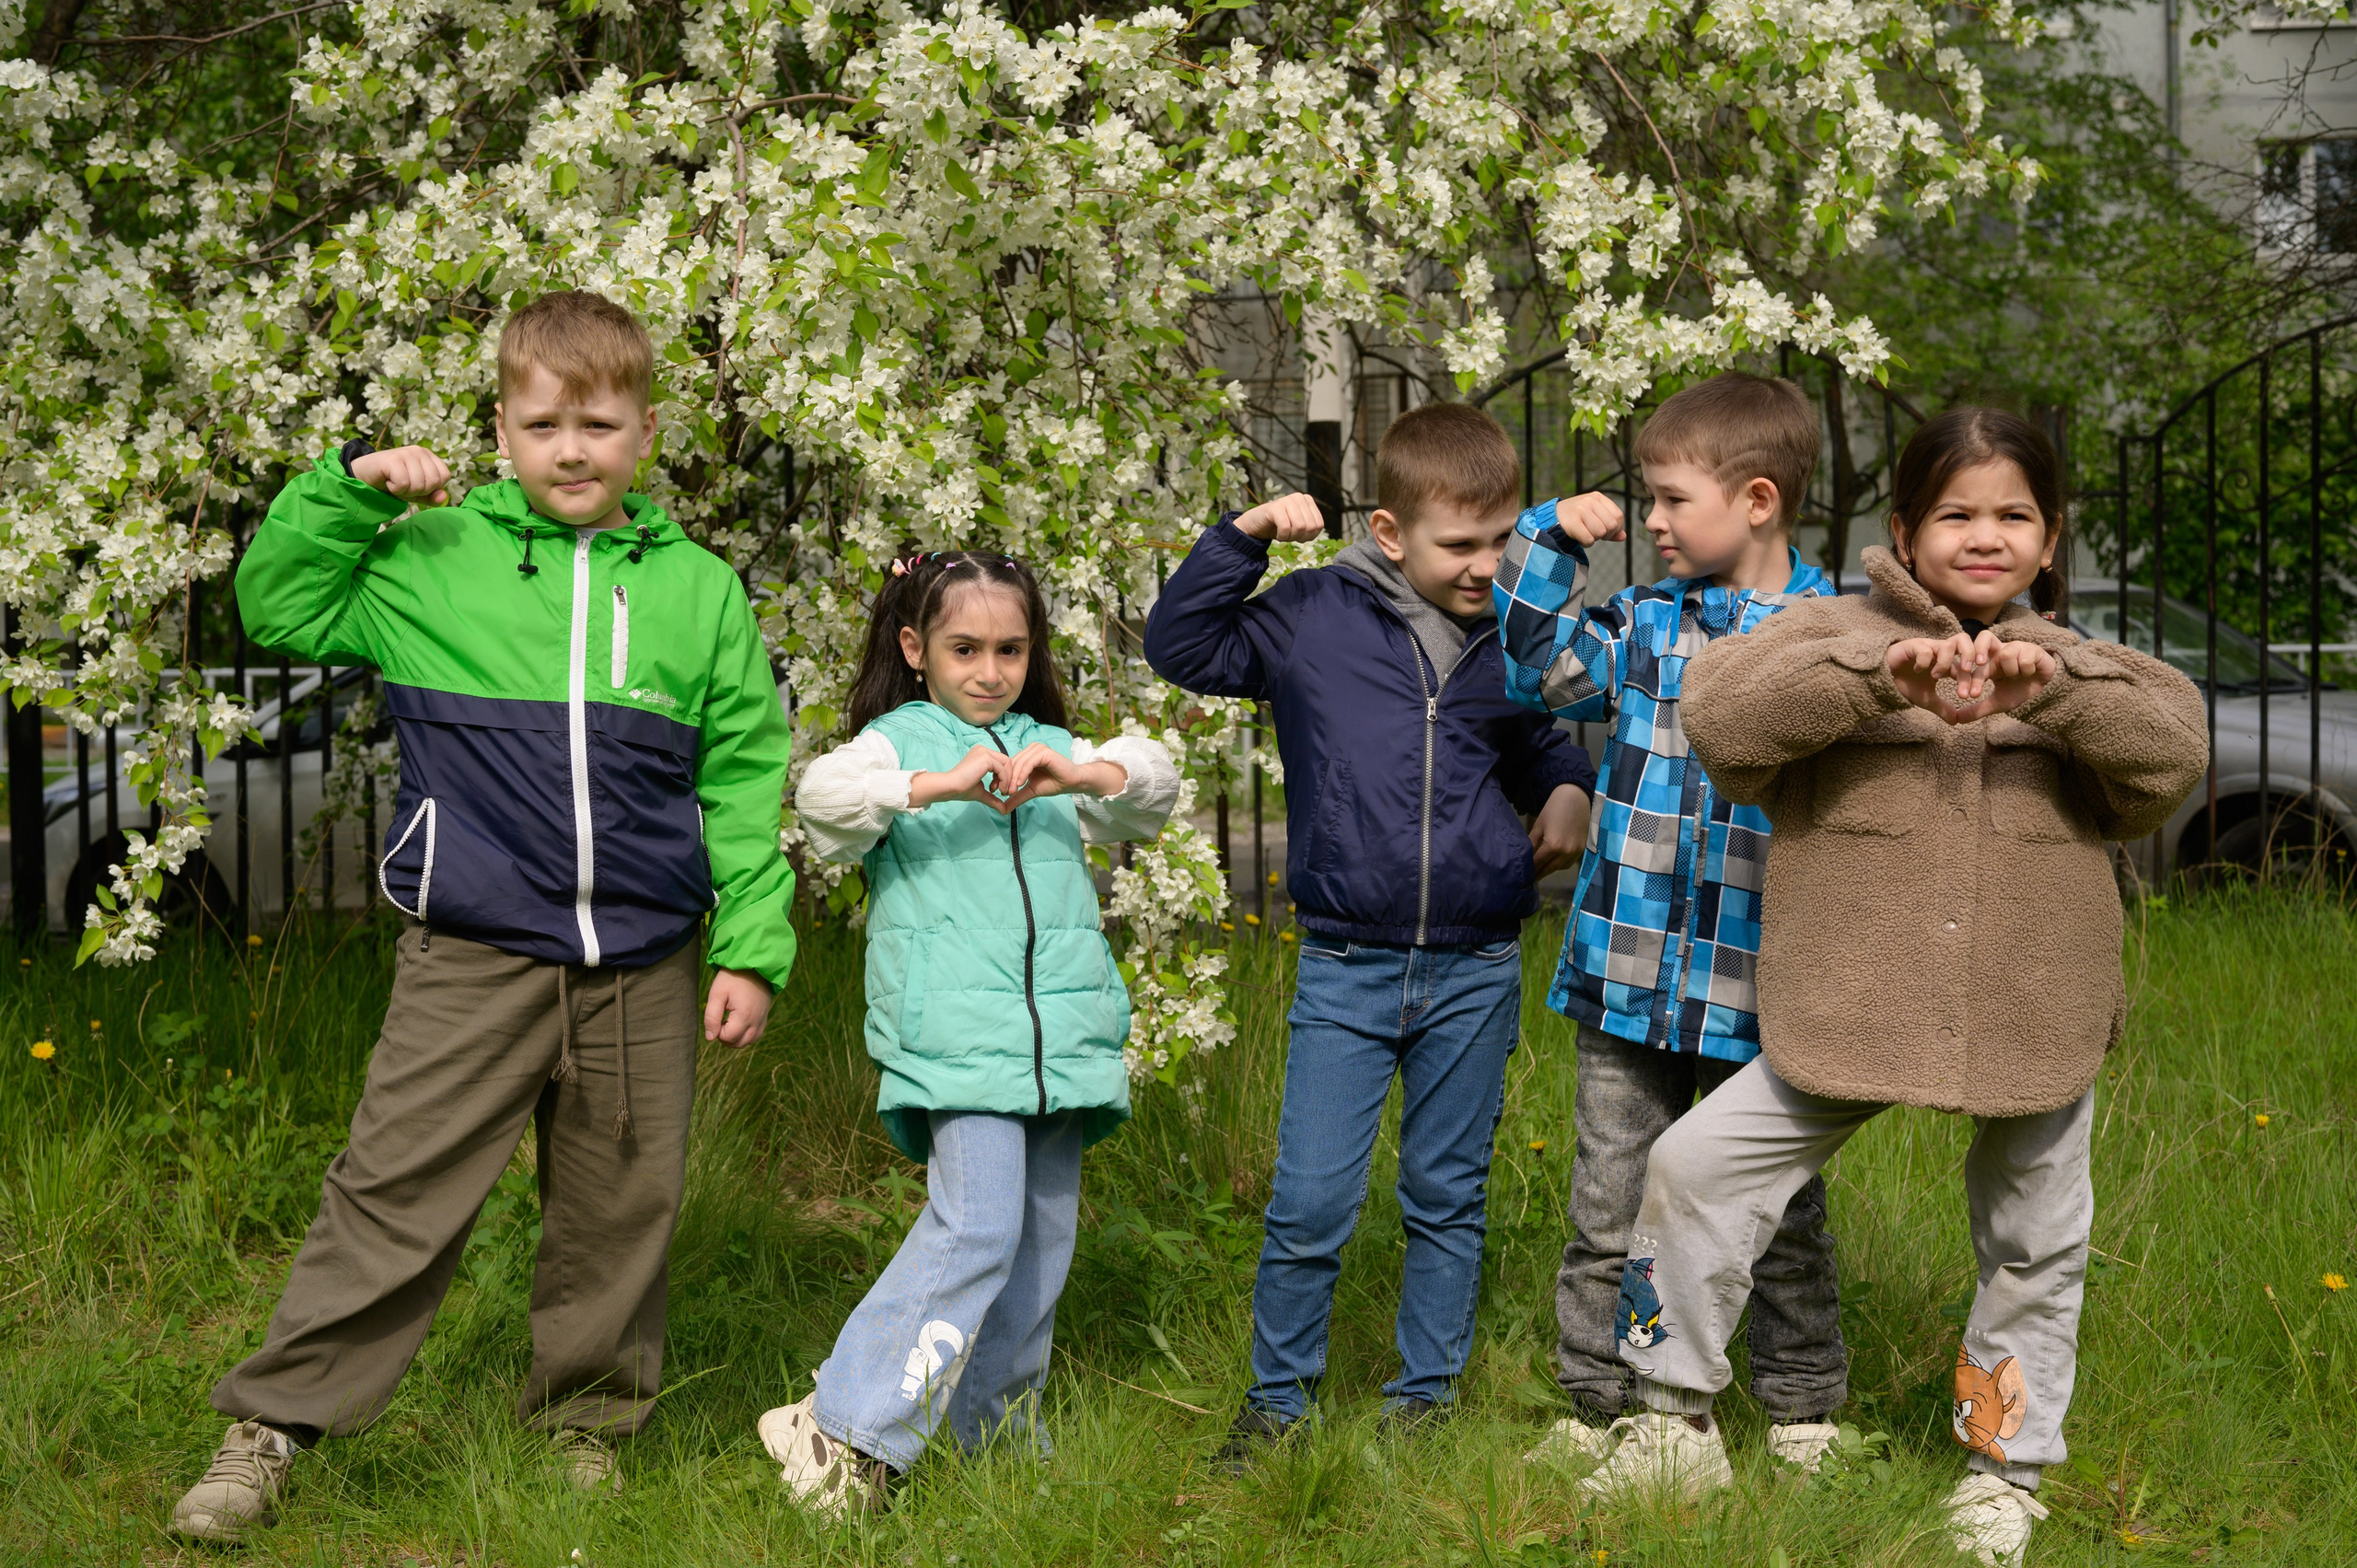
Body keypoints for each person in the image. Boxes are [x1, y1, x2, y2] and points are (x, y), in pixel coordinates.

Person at [168, 291, 796, 1541]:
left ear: (648, 431)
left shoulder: (699, 592)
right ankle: (274, 1424)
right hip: (472, 947)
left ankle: (584, 1425)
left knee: (621, 1199)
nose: (573, 447)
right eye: (544, 421)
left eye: (601, 423)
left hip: (647, 956)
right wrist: (350, 485)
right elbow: (277, 604)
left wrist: (752, 945)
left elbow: (742, 774)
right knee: (394, 1183)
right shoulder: (426, 558)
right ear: (501, 430)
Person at [1615, 407, 2204, 1562]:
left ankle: (2003, 1471)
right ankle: (1666, 1413)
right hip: (1845, 1004)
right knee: (1690, 1163)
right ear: (1902, 527)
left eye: (2012, 515)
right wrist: (1874, 676)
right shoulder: (1825, 630)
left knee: (2036, 1239)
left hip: (2029, 1013)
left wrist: (2055, 696)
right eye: (1955, 513)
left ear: (2049, 538)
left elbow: (2167, 759)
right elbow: (1724, 721)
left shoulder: (2085, 662)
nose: (1983, 536)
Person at [1144, 401, 1596, 1458]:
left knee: (1446, 1195)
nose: (1486, 565)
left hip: (1477, 963)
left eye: (1500, 540)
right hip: (1347, 964)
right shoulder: (1312, 615)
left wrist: (1568, 783)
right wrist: (1244, 536)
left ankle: (1423, 1403)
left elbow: (1533, 740)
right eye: (1460, 544)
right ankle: (1275, 1404)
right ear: (1391, 532)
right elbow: (1183, 644)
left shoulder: (1512, 632)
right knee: (1308, 1198)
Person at [759, 551, 1179, 1517]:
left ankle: (993, 1435)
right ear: (915, 648)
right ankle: (841, 1423)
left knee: (1037, 1244)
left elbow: (1151, 786)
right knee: (978, 1221)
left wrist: (1075, 768)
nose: (989, 671)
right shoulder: (895, 743)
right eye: (964, 648)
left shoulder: (1046, 745)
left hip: (1059, 1042)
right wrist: (936, 784)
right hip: (955, 1037)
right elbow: (823, 800)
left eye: (1010, 649)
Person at [1493, 372, 1852, 1482]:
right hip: (1628, 968)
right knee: (1607, 1200)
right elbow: (1533, 665)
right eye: (1643, 500)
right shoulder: (1645, 624)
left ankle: (1800, 1406)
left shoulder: (1836, 638)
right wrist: (1548, 536)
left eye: (1667, 499)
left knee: (1779, 1210)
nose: (1648, 520)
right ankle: (1603, 1401)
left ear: (1755, 498)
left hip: (1761, 980)